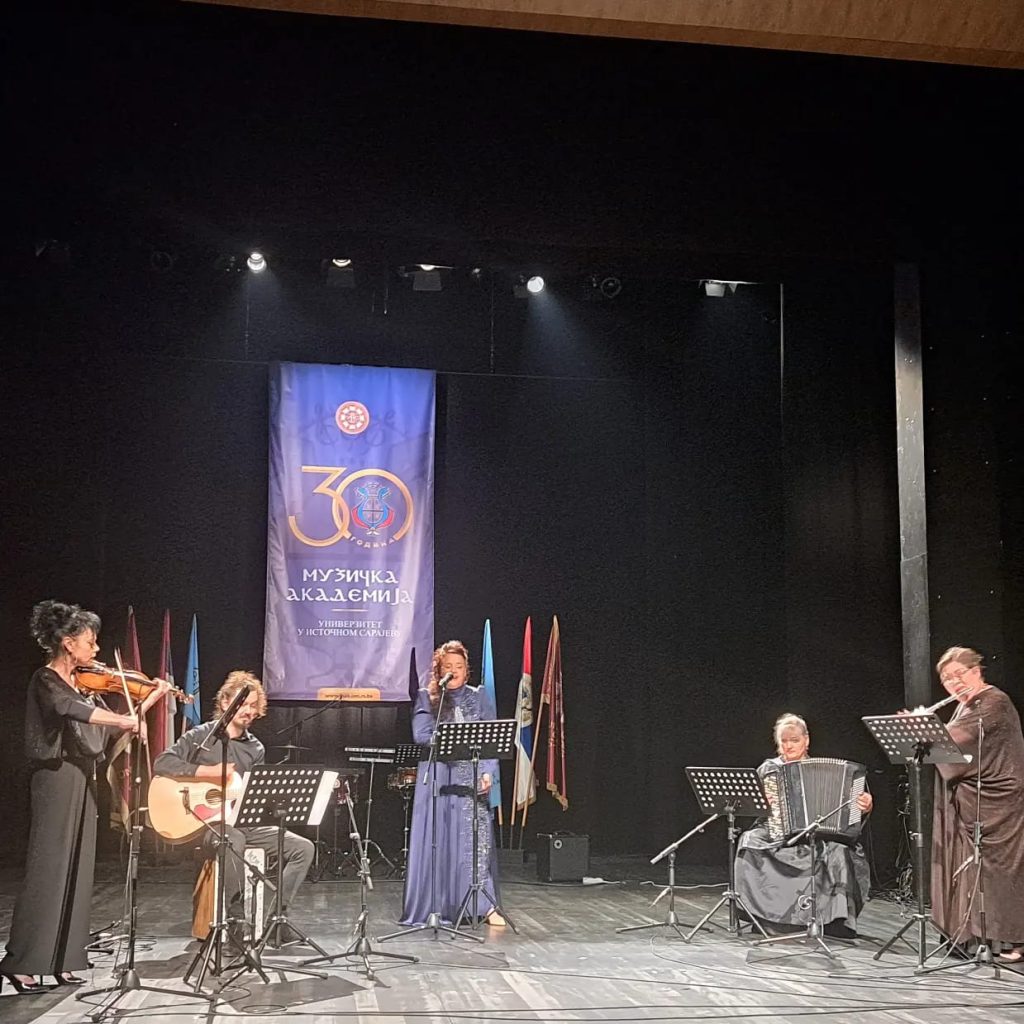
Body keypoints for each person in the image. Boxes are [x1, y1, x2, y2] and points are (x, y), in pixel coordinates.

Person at [1, 600, 169, 996]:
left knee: (78, 868)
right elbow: (71, 710)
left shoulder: (84, 686)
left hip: (82, 777)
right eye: (90, 641)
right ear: (67, 642)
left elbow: (110, 729)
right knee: (49, 868)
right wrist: (123, 718)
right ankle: (22, 962)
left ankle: (64, 960)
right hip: (54, 778)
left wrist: (151, 698)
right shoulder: (47, 680)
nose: (96, 649)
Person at [153, 671, 315, 943]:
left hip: (242, 822)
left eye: (254, 706)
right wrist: (206, 772)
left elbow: (249, 793)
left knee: (303, 848)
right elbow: (162, 763)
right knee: (233, 838)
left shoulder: (255, 748)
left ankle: (273, 917)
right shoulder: (201, 736)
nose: (249, 711)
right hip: (205, 824)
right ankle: (236, 917)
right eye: (243, 704)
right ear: (225, 702)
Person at [734, 712, 873, 937]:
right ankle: (764, 917)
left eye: (794, 740)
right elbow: (750, 807)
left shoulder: (823, 769)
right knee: (748, 840)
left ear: (806, 740)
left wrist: (865, 805)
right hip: (776, 830)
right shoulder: (769, 769)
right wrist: (762, 803)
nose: (788, 746)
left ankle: (834, 922)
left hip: (817, 835)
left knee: (839, 852)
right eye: (784, 741)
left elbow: (852, 807)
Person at [399, 640, 505, 926]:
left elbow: (491, 739)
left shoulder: (479, 696)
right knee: (440, 837)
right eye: (448, 666)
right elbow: (421, 735)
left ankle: (483, 905)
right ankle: (437, 905)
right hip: (438, 776)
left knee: (474, 839)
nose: (454, 671)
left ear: (467, 670)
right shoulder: (428, 697)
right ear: (439, 670)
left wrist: (487, 772)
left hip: (471, 774)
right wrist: (450, 734)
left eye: (459, 666)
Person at [929, 646, 1024, 961]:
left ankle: (1010, 939)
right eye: (947, 679)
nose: (954, 683)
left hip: (1000, 802)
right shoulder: (965, 707)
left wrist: (924, 728)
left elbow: (957, 740)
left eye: (959, 674)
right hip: (974, 798)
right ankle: (973, 935)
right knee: (975, 870)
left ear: (976, 671)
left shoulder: (995, 701)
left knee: (1000, 873)